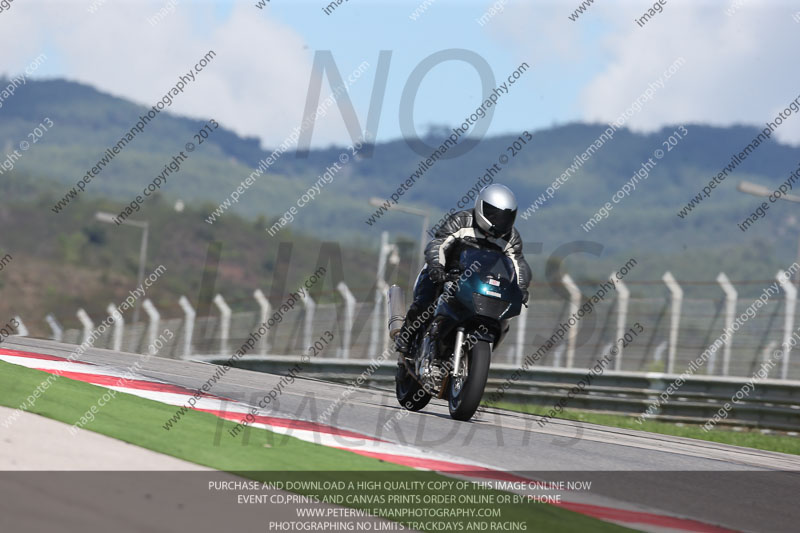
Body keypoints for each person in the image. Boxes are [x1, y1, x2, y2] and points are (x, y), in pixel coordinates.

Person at [395, 183, 532, 355]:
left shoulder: (511, 237)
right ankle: (406, 336)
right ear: (481, 207)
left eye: (505, 217)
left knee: (503, 316)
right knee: (426, 299)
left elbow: (518, 264)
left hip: (479, 283)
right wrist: (437, 268)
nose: (499, 221)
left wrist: (520, 288)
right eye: (494, 214)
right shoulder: (460, 221)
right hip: (446, 274)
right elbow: (438, 244)